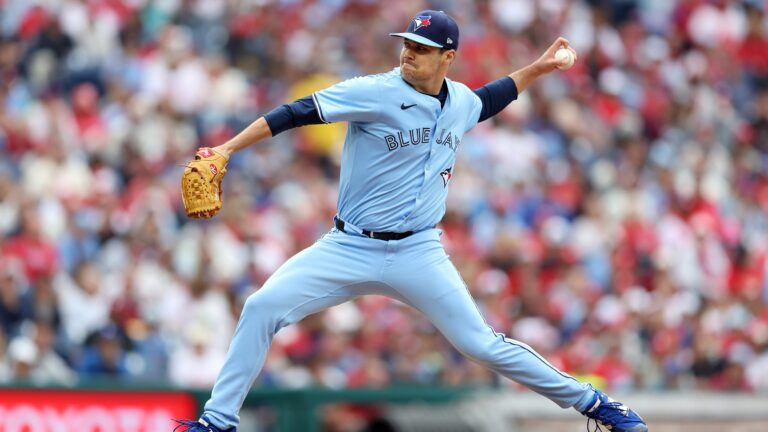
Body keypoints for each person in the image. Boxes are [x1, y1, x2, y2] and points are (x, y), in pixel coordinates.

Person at [174, 10, 648, 432]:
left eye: (422, 49)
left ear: (448, 57)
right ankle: (217, 422)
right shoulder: (375, 92)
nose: (409, 53)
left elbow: (494, 96)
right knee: (261, 307)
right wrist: (227, 148)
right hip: (348, 247)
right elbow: (296, 112)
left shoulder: (459, 101)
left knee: (481, 344)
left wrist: (540, 68)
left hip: (418, 252)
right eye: (407, 44)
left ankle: (596, 404)